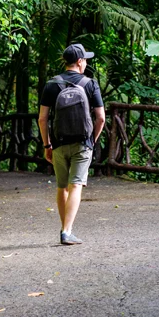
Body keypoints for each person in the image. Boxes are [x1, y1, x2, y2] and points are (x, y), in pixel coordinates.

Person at [38, 43, 105, 245]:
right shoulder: (90, 84)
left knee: (62, 187)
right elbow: (101, 118)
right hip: (83, 143)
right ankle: (67, 231)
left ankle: (65, 229)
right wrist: (91, 141)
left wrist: (47, 145)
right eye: (85, 60)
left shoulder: (52, 84)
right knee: (76, 185)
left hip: (59, 143)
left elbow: (42, 119)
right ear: (79, 61)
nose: (86, 63)